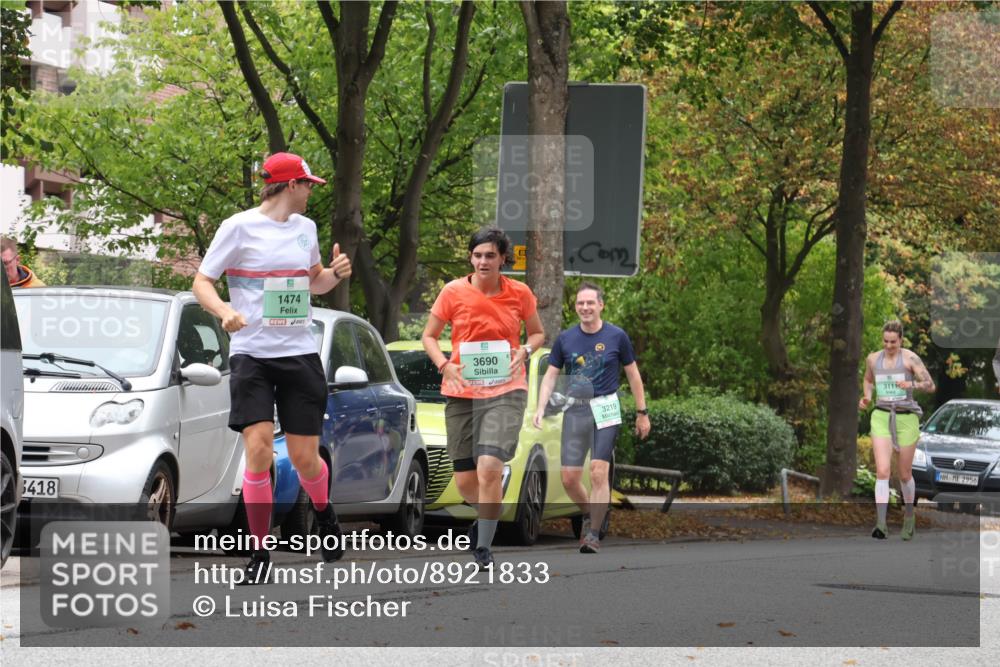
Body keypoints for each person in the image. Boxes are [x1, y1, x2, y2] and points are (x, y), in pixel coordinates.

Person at [192, 152, 352, 583]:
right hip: (252, 354)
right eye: (307, 184)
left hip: (299, 354)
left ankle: (324, 514)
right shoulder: (238, 226)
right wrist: (224, 310)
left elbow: (314, 279)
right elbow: (201, 281)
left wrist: (334, 275)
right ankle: (260, 553)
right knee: (259, 450)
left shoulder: (306, 229)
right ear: (289, 186)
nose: (311, 191)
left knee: (304, 459)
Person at [422, 228, 544, 570]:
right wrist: (444, 365)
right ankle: (487, 513)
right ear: (470, 258)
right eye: (477, 255)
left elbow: (537, 332)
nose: (483, 261)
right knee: (465, 484)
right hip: (462, 391)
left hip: (506, 389)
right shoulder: (453, 292)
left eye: (490, 255)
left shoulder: (519, 293)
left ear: (503, 258)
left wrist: (526, 349)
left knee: (489, 467)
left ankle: (484, 548)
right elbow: (429, 336)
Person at [533, 282, 651, 553]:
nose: (585, 307)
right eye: (580, 303)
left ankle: (594, 535)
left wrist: (642, 413)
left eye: (590, 303)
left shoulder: (616, 336)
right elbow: (551, 375)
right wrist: (540, 407)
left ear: (601, 305)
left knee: (598, 472)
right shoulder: (565, 339)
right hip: (576, 410)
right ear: (576, 307)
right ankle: (590, 513)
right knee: (569, 479)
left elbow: (633, 375)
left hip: (606, 408)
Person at [859, 320, 935, 541]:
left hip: (906, 418)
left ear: (900, 340)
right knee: (882, 471)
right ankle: (881, 524)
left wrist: (912, 385)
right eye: (885, 341)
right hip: (881, 415)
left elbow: (930, 385)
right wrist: (867, 397)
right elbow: (867, 379)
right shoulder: (873, 359)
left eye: (893, 341)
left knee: (904, 474)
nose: (889, 345)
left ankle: (909, 517)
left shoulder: (910, 359)